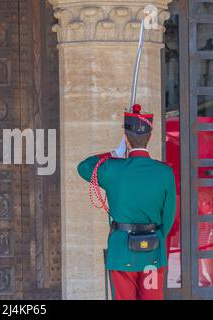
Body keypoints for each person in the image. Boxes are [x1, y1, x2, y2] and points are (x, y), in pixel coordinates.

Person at [77, 104, 176, 300]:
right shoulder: (164, 172)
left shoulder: (113, 169)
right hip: (152, 252)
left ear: (126, 139)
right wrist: (154, 235)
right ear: (150, 137)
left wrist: (114, 153)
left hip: (122, 250)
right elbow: (169, 216)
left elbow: (84, 167)